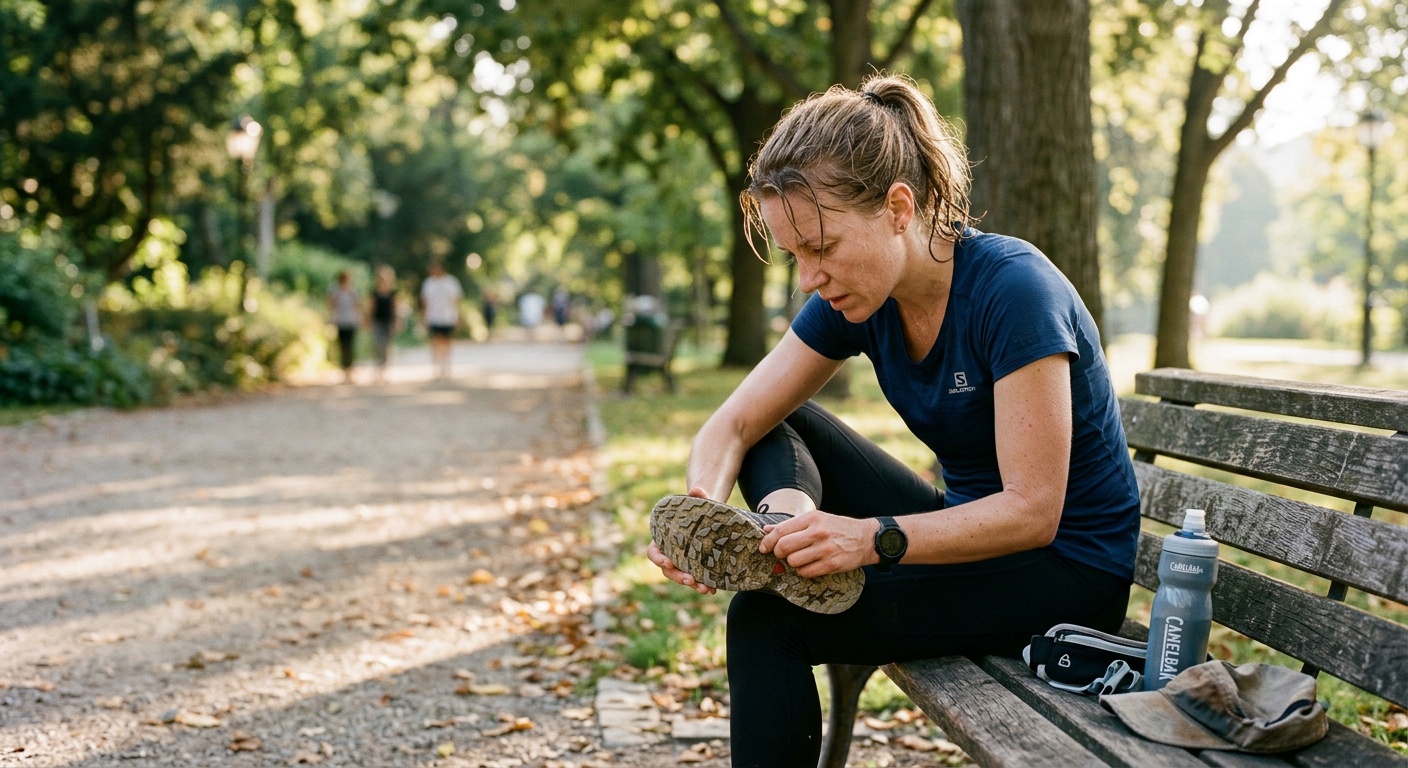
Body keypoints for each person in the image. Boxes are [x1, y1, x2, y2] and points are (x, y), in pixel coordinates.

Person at [646, 74, 1141, 768]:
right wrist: (703, 512)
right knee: (779, 422)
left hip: (1065, 574)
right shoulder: (860, 296)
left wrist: (869, 538)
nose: (808, 278)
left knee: (765, 621)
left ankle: (785, 549)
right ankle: (777, 530)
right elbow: (732, 424)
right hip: (971, 541)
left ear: (899, 208)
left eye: (822, 248)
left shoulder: (1014, 291)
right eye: (795, 255)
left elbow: (1033, 512)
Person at [419, 260, 463, 379]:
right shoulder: (428, 283)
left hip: (448, 317)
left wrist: (458, 317)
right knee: (435, 341)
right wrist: (423, 317)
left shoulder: (451, 282)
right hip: (433, 317)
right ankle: (437, 366)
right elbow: (424, 302)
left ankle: (446, 365)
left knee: (447, 342)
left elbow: (456, 301)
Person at [368, 265, 400, 383]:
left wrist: (397, 321)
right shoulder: (374, 292)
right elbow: (371, 307)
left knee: (386, 345)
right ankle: (377, 368)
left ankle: (384, 370)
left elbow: (395, 308)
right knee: (377, 344)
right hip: (377, 320)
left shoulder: (393, 293)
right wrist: (368, 320)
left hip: (388, 321)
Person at [328, 270, 361, 383]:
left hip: (351, 321)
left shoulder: (352, 291)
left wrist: (359, 318)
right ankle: (344, 370)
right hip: (340, 321)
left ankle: (350, 369)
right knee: (342, 346)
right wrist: (332, 319)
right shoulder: (335, 291)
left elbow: (357, 305)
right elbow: (331, 305)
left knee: (350, 346)